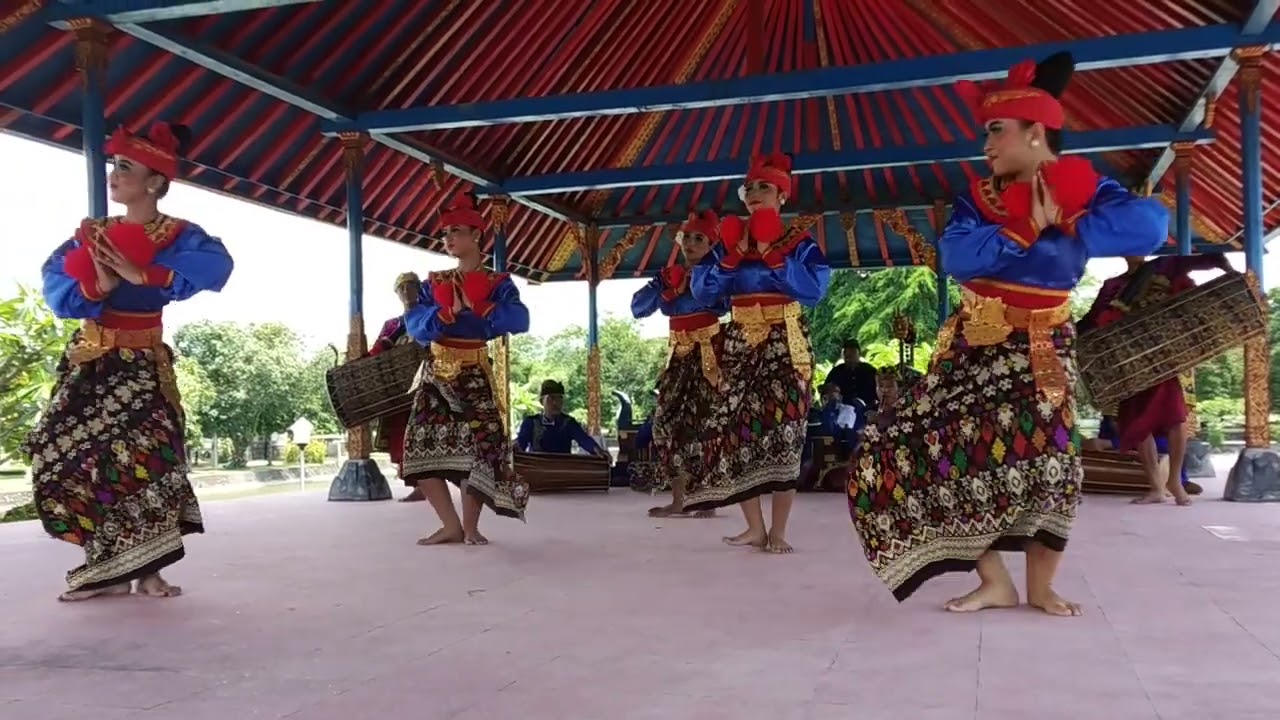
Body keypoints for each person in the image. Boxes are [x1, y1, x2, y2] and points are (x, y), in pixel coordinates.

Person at [847, 52, 1168, 616]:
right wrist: (1024, 225)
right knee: (921, 447)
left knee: (1052, 461)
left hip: (1044, 346)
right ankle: (995, 580)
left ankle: (1042, 586)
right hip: (973, 347)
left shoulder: (1089, 189)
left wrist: (1068, 214)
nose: (987, 144)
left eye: (996, 130)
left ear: (1036, 131)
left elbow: (1150, 226)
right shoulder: (981, 197)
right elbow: (955, 256)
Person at [23, 121, 234, 601]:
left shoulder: (178, 234)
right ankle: (107, 563)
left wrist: (147, 272)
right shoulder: (92, 234)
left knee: (149, 463)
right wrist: (97, 287)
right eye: (113, 166)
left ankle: (149, 571)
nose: (113, 176)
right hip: (90, 360)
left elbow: (217, 265)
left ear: (155, 182)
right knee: (61, 453)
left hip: (141, 364)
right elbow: (57, 285)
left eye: (124, 167)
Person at [684, 152, 832, 553]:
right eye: (748, 187)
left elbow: (815, 290)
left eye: (763, 186)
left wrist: (770, 253)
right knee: (733, 430)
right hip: (739, 343)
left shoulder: (798, 240)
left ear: (782, 194)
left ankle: (779, 531)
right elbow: (702, 293)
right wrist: (730, 258)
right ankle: (754, 527)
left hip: (784, 340)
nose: (753, 193)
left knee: (786, 432)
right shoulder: (730, 239)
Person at [401, 194, 531, 546]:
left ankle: (471, 526)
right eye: (445, 233)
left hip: (474, 371)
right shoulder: (434, 282)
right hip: (436, 373)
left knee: (480, 450)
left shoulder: (498, 282)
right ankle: (451, 524)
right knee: (417, 450)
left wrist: (483, 306)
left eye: (456, 231)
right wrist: (441, 316)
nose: (448, 239)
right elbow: (413, 325)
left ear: (477, 234)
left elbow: (521, 319)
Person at [1077, 254, 1230, 505]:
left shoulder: (1163, 266)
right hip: (1128, 363)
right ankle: (1156, 487)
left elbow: (1202, 261)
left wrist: (1225, 267)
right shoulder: (1113, 285)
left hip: (1162, 359)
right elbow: (1094, 319)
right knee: (1137, 424)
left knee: (1176, 419)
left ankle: (1175, 482)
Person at [630, 210, 730, 518]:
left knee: (706, 426)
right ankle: (679, 498)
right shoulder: (669, 273)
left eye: (699, 238)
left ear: (711, 243)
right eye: (687, 236)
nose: (690, 243)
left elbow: (722, 303)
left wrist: (695, 284)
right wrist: (664, 286)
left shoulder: (717, 273)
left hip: (708, 355)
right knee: (664, 424)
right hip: (677, 356)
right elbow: (637, 308)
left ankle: (708, 499)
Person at [368, 272, 425, 502]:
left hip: (425, 385)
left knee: (424, 435)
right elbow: (377, 353)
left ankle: (428, 485)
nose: (405, 292)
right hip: (400, 390)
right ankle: (416, 484)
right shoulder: (392, 325)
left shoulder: (428, 318)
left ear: (418, 289)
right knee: (402, 436)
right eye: (401, 289)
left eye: (410, 287)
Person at [515, 380, 611, 458]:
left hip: (563, 469)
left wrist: (598, 450)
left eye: (559, 398)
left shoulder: (568, 423)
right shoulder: (531, 422)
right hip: (537, 471)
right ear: (541, 401)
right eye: (551, 398)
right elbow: (520, 445)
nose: (555, 403)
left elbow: (584, 439)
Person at [823, 339, 879, 410]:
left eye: (853, 356)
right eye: (848, 357)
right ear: (844, 356)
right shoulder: (836, 372)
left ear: (859, 355)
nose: (850, 360)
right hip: (843, 411)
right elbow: (826, 390)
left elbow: (879, 390)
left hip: (868, 410)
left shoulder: (869, 370)